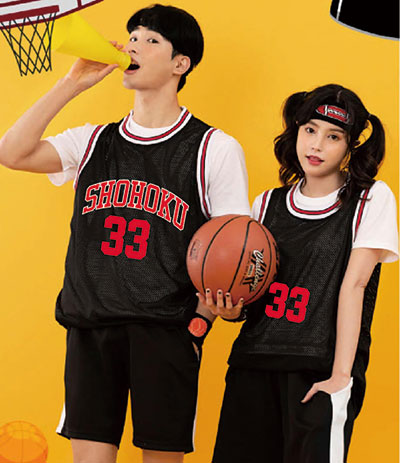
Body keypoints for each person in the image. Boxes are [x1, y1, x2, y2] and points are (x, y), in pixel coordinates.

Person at [0, 4, 250, 463]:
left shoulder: (213, 148)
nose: (134, 44)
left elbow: (235, 250)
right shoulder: (92, 141)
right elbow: (11, 152)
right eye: (132, 36)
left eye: (151, 40)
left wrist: (199, 325)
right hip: (90, 327)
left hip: (167, 331)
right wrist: (72, 82)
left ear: (180, 64)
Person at [199, 84, 398, 463]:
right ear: (296, 132)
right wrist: (232, 310)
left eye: (333, 136)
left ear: (351, 145)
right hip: (253, 362)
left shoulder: (370, 199)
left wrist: (341, 376)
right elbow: (251, 289)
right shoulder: (266, 204)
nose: (317, 145)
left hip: (318, 366)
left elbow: (355, 285)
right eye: (310, 130)